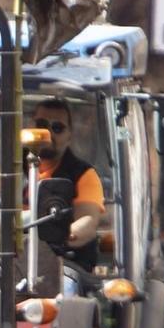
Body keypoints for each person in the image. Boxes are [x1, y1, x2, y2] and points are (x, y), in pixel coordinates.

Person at [27, 97, 103, 262]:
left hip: (65, 266)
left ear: (69, 136)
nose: (48, 133)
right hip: (9, 265)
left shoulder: (84, 175)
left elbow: (87, 222)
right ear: (29, 128)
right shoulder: (4, 174)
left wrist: (54, 237)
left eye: (57, 128)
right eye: (41, 125)